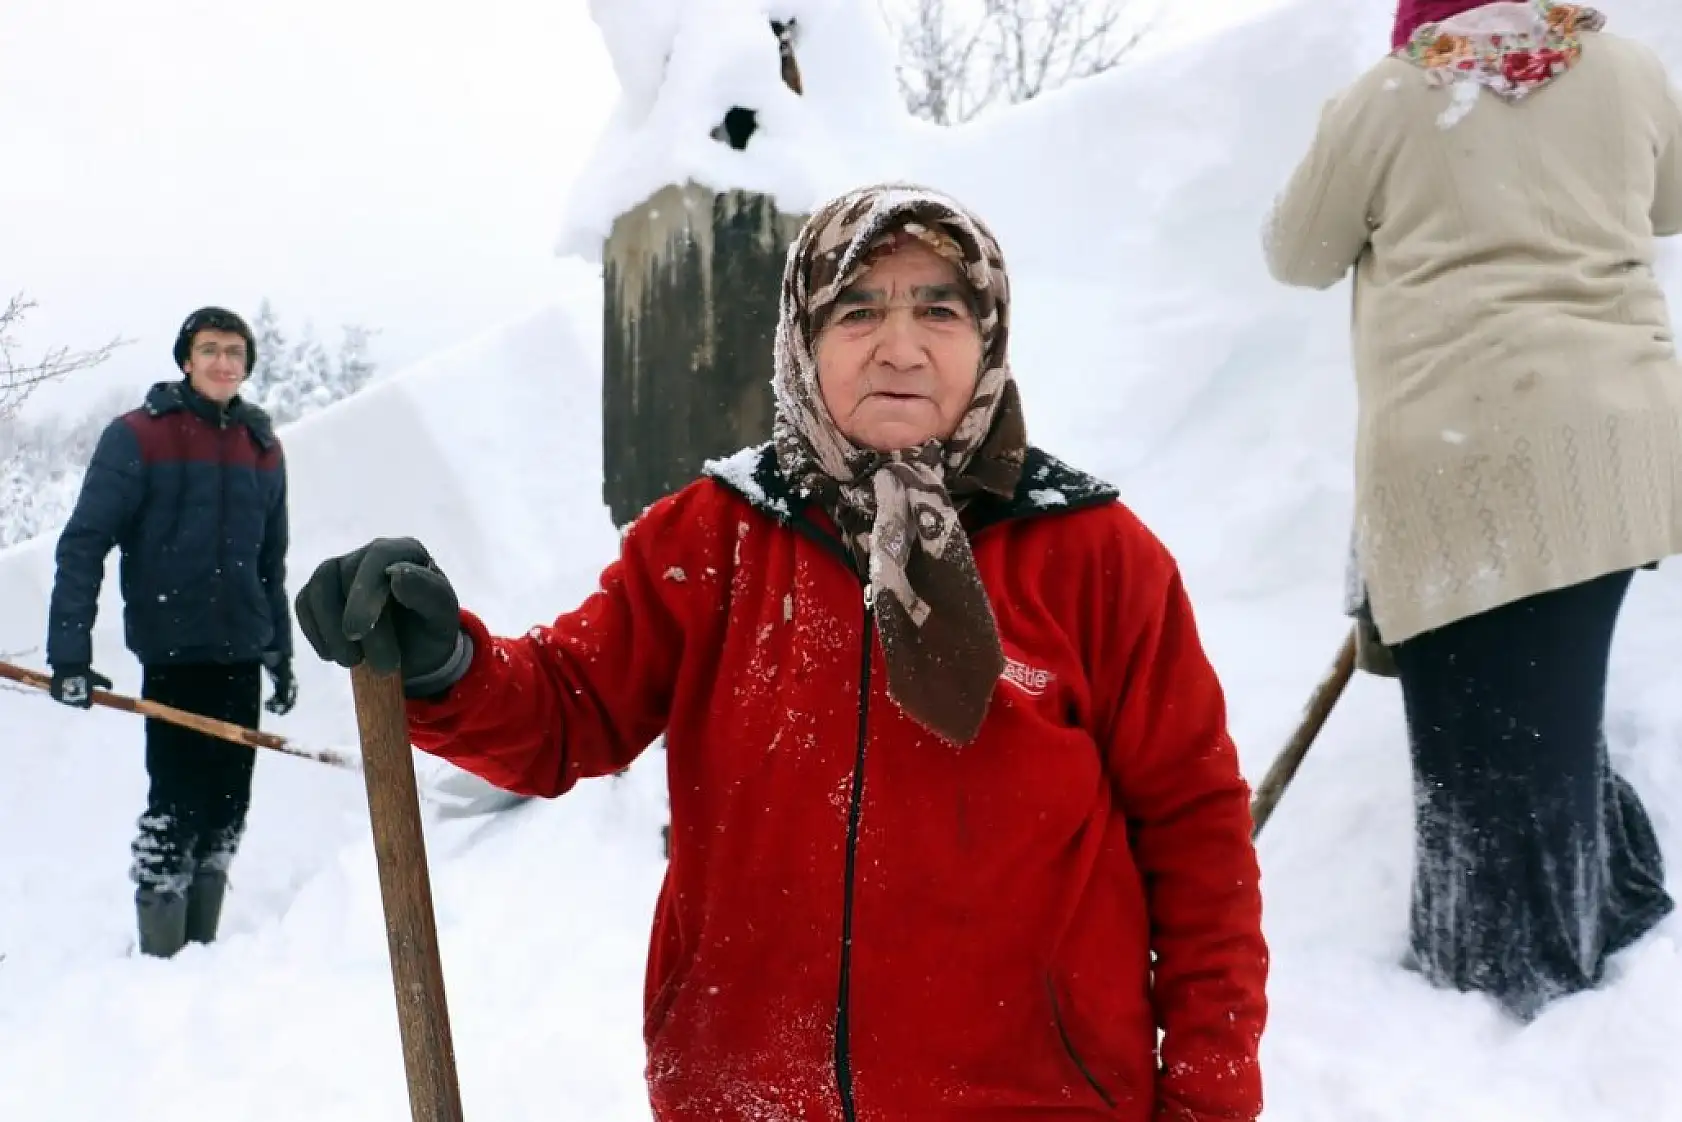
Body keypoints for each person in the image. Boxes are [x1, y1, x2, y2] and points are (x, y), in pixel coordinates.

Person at [295, 184, 1269, 1120]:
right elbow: (566, 711)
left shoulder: (1091, 555)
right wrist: (442, 667)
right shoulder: (714, 538)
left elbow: (1196, 842)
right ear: (802, 342)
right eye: (856, 310)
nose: (899, 346)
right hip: (739, 1098)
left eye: (938, 309)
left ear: (989, 337)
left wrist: (1208, 1095)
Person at [1264, 0, 1681, 1019]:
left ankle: (1504, 991)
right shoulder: (1626, 69)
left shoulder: (1392, 93)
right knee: (1542, 716)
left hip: (1462, 465)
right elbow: (1666, 206)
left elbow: (1295, 252)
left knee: (1478, 759)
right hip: (1614, 451)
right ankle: (1609, 906)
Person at [46, 306, 298, 959]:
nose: (222, 362)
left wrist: (280, 652)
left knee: (227, 809)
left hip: (240, 652)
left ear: (246, 366)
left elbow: (270, 563)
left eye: (235, 352)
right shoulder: (138, 437)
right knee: (176, 808)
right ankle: (162, 963)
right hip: (175, 655)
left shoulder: (261, 450)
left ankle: (204, 955)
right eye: (210, 349)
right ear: (186, 359)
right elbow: (82, 545)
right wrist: (68, 654)